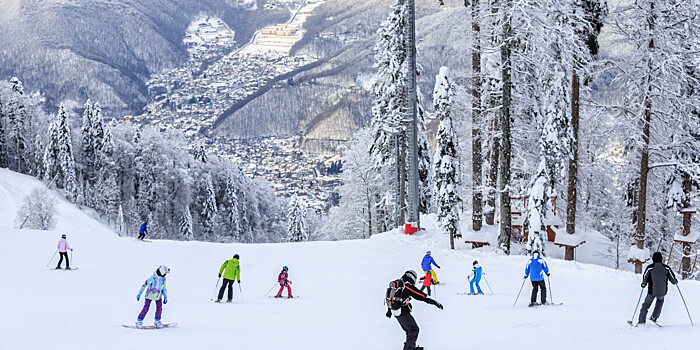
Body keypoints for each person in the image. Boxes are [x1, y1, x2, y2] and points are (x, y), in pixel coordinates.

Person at [385, 270, 443, 350]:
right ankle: (409, 348)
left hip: (396, 311)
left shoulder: (398, 285)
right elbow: (420, 295)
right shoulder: (407, 286)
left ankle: (411, 346)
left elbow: (389, 298)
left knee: (410, 331)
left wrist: (389, 310)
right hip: (402, 312)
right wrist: (434, 302)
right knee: (414, 330)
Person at [638, 252, 678, 325]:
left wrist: (643, 284)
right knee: (660, 301)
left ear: (653, 259)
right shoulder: (666, 268)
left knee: (645, 306)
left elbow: (645, 277)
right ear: (661, 259)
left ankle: (641, 322)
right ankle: (654, 317)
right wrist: (675, 282)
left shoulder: (650, 267)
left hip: (652, 291)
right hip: (662, 292)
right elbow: (673, 279)